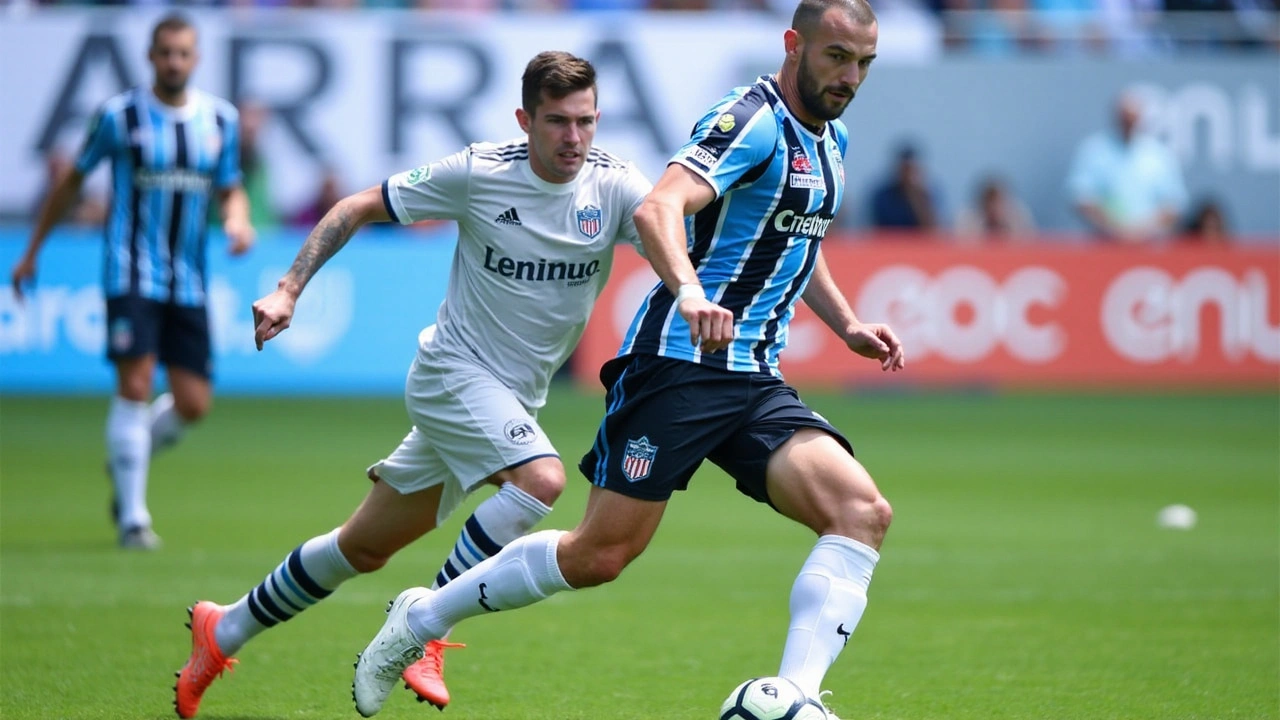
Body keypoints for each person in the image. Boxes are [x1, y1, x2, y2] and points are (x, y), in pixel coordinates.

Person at [353, 1, 904, 718]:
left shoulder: (831, 140)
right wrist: (693, 294)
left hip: (754, 377)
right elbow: (659, 208)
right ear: (794, 44)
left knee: (862, 512)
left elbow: (796, 239)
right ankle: (421, 619)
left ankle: (794, 697)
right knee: (599, 556)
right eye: (836, 56)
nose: (850, 76)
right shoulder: (750, 120)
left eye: (863, 62)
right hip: (678, 364)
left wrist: (849, 323)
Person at [171, 51, 653, 719]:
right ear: (525, 119)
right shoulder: (479, 172)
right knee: (540, 480)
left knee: (361, 548)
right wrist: (287, 289)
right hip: (452, 374)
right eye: (557, 122)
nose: (574, 139)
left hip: (512, 398)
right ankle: (425, 626)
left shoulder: (617, 187)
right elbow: (357, 206)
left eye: (586, 122)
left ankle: (221, 630)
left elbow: (675, 244)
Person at [9, 14, 254, 551]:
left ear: (196, 59)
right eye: (165, 52)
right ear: (150, 56)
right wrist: (31, 252)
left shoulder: (219, 120)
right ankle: (134, 518)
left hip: (188, 279)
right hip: (130, 272)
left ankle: (128, 454)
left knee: (193, 404)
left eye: (183, 53)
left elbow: (230, 186)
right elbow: (71, 182)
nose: (173, 61)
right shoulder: (120, 117)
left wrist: (238, 219)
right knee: (136, 384)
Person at [1066, 91, 1188, 242]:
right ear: (1116, 118)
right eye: (1125, 119)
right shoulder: (1095, 150)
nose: (1129, 125)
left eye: (1133, 120)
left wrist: (1142, 231)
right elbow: (1081, 196)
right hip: (1103, 243)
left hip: (1150, 245)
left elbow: (1174, 204)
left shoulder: (1158, 155)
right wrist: (1114, 228)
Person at [868, 142, 943, 230]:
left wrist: (915, 196)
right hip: (891, 241)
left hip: (917, 242)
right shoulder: (883, 196)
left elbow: (932, 229)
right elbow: (877, 227)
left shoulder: (928, 195)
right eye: (904, 169)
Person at [954, 174, 1035, 240]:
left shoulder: (1018, 214)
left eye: (997, 203)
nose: (993, 208)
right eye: (989, 203)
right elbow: (962, 244)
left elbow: (1030, 241)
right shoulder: (969, 217)